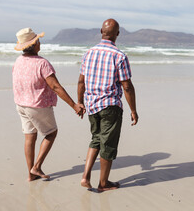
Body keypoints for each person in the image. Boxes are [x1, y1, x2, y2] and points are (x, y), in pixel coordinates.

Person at [13, 28, 85, 181]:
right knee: (51, 133)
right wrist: (74, 105)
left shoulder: (18, 61)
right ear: (34, 44)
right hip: (37, 106)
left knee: (29, 137)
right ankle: (36, 167)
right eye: (38, 40)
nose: (40, 43)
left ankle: (31, 174)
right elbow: (55, 87)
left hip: (21, 105)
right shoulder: (42, 63)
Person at [77, 19, 138, 192]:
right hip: (110, 105)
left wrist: (80, 102)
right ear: (117, 34)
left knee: (96, 139)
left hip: (91, 104)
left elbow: (81, 81)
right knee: (108, 145)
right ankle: (103, 183)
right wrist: (133, 109)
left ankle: (85, 176)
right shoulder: (119, 56)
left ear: (101, 31)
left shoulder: (88, 53)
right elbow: (126, 86)